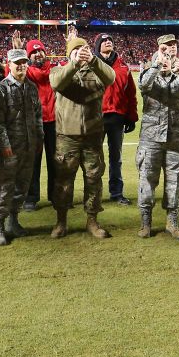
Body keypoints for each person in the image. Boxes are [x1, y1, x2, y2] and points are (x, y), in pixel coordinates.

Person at [49, 32, 116, 238]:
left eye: (83, 50)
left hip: (92, 136)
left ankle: (92, 220)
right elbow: (57, 83)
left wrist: (94, 60)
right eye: (75, 50)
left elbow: (111, 77)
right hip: (66, 137)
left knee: (94, 179)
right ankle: (61, 221)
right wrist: (74, 64)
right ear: (70, 54)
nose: (80, 54)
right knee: (63, 181)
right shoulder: (60, 70)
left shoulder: (96, 72)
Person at [135, 34, 179, 240]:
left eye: (173, 45)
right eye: (166, 46)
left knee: (174, 181)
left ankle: (172, 223)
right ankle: (145, 222)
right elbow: (143, 85)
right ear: (158, 48)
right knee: (147, 180)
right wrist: (157, 66)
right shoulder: (149, 67)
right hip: (151, 137)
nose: (170, 49)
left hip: (176, 136)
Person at [0, 49, 44, 245]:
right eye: (17, 62)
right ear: (9, 65)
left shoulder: (31, 88)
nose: (21, 66)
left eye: (23, 62)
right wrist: (4, 146)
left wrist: (40, 138)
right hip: (9, 149)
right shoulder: (1, 89)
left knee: (22, 186)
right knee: (3, 187)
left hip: (28, 147)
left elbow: (38, 116)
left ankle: (13, 221)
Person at [95, 33, 138, 206]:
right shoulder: (91, 64)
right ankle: (94, 194)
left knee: (116, 157)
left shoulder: (124, 67)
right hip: (96, 117)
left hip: (117, 117)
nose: (108, 43)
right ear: (97, 46)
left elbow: (131, 94)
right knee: (94, 158)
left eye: (110, 41)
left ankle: (116, 192)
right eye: (104, 41)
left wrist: (131, 116)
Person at [22, 38, 56, 211]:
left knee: (56, 161)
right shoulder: (25, 72)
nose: (37, 54)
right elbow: (9, 73)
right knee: (33, 162)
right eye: (33, 52)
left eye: (40, 51)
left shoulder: (56, 70)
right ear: (28, 56)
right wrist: (17, 52)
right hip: (34, 123)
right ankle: (31, 197)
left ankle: (56, 195)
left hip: (54, 121)